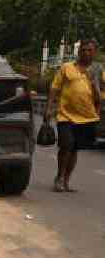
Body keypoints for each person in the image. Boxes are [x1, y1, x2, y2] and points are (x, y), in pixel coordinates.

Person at [45, 39, 101, 192]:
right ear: (78, 51)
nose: (86, 53)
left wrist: (95, 84)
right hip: (66, 115)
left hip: (88, 117)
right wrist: (49, 108)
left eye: (90, 50)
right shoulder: (67, 68)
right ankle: (59, 177)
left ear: (94, 53)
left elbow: (100, 98)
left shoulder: (98, 71)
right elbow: (55, 89)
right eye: (83, 50)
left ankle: (66, 180)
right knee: (66, 145)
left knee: (75, 149)